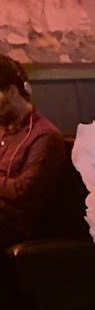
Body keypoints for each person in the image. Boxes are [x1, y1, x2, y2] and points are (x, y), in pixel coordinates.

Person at [0, 55, 66, 249]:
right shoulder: (3, 129)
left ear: (12, 91)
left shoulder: (45, 135)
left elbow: (22, 191)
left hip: (15, 224)